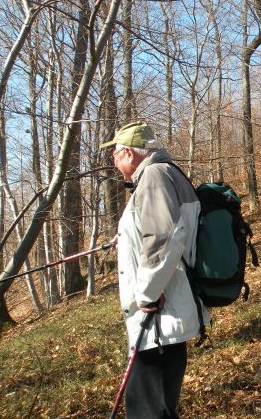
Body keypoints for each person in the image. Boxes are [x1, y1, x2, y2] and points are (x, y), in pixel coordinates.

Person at [100, 121, 205, 419]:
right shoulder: (163, 173)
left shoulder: (154, 177)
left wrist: (147, 294)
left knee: (148, 409)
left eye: (116, 153)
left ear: (130, 154)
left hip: (158, 317)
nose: (113, 160)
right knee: (157, 405)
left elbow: (166, 238)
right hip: (167, 312)